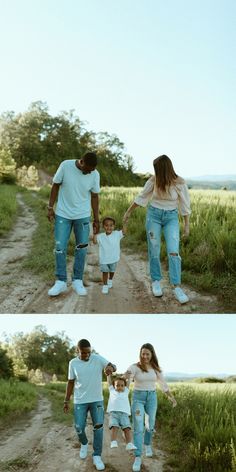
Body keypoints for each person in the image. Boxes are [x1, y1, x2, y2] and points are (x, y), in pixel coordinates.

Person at [123, 154, 191, 304]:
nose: (155, 171)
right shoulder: (154, 180)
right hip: (153, 216)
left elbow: (185, 205)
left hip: (171, 218)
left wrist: (187, 226)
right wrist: (128, 212)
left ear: (164, 168)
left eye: (157, 168)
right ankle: (156, 281)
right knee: (154, 248)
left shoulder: (179, 182)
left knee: (173, 251)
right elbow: (141, 197)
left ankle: (176, 286)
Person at [47, 152, 100, 297]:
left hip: (82, 216)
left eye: (92, 170)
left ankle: (77, 280)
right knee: (60, 247)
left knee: (81, 249)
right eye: (88, 169)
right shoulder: (65, 165)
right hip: (63, 214)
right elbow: (55, 185)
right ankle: (61, 281)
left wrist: (96, 219)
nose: (90, 172)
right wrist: (50, 207)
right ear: (81, 162)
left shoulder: (95, 174)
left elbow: (95, 196)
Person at [63, 338, 116, 471]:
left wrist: (110, 368)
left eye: (88, 352)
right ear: (77, 351)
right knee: (79, 427)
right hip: (80, 400)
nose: (87, 355)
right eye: (83, 353)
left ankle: (97, 456)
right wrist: (66, 400)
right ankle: (84, 443)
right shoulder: (73, 363)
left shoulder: (97, 358)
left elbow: (113, 366)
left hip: (96, 399)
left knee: (98, 427)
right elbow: (70, 382)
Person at [125, 343, 177, 472]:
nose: (145, 356)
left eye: (147, 354)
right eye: (143, 353)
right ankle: (138, 457)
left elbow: (163, 384)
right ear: (140, 354)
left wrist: (171, 397)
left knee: (150, 424)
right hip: (138, 398)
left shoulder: (156, 368)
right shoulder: (134, 367)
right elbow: (127, 379)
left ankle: (147, 444)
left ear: (152, 354)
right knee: (138, 426)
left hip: (152, 398)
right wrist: (123, 388)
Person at [93, 216, 126, 294]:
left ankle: (110, 279)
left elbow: (124, 232)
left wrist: (125, 223)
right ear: (103, 226)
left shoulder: (117, 234)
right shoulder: (101, 236)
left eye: (111, 225)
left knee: (112, 271)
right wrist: (95, 232)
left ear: (114, 226)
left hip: (113, 258)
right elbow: (94, 241)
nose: (109, 227)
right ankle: (105, 285)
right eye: (106, 225)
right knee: (105, 272)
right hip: (104, 259)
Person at [107, 374, 136, 451]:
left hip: (124, 414)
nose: (120, 387)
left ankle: (129, 444)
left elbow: (128, 383)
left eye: (122, 386)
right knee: (114, 427)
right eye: (117, 385)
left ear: (124, 386)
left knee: (127, 428)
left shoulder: (126, 391)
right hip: (114, 414)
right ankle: (113, 441)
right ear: (114, 386)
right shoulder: (112, 391)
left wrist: (129, 377)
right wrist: (108, 375)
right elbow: (109, 382)